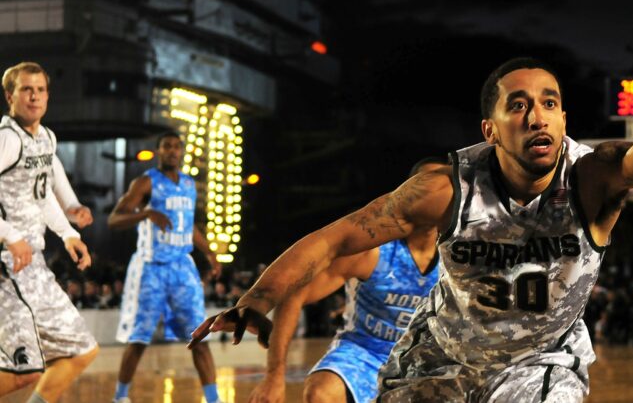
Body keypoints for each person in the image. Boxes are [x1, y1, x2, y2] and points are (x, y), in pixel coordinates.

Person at [190, 57, 633, 402]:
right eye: (519, 105)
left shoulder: (593, 178)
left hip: (539, 361)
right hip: (441, 356)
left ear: (564, 120)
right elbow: (336, 238)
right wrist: (256, 298)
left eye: (550, 103)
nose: (537, 116)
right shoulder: (445, 188)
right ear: (490, 130)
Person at [250, 158, 444, 403]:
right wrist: (274, 376)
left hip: (428, 358)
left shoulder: (461, 255)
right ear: (406, 193)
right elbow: (295, 294)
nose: (433, 194)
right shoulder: (373, 249)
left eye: (442, 187)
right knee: (321, 393)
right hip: (365, 352)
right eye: (425, 185)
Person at [0, 61, 98, 402]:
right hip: (6, 266)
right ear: (10, 96)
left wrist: (68, 233)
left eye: (40, 90)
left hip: (34, 265)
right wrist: (9, 234)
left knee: (81, 351)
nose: (34, 96)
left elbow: (42, 198)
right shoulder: (6, 139)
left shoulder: (45, 138)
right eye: (26, 89)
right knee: (23, 371)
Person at [108, 130, 224, 403]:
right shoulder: (145, 182)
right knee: (139, 339)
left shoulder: (189, 184)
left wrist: (209, 253)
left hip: (182, 267)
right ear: (159, 151)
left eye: (176, 147)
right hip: (151, 267)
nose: (172, 151)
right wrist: (146, 213)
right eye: (167, 146)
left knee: (200, 335)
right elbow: (114, 219)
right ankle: (120, 397)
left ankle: (214, 399)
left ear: (181, 151)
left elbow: (188, 226)